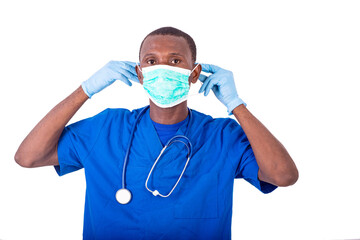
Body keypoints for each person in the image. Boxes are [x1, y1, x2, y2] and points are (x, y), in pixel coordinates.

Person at [15, 27, 298, 239]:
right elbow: (28, 157)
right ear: (139, 74)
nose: (162, 69)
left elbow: (282, 175)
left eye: (175, 61)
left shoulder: (222, 135)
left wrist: (236, 105)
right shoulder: (106, 128)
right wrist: (86, 89)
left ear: (195, 73)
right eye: (151, 61)